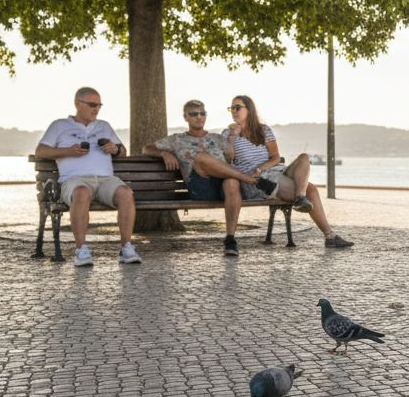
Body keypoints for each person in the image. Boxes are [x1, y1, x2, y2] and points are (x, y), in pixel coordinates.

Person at [143, 99, 281, 257]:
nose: (199, 117)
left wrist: (232, 138)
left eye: (203, 113)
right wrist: (164, 153)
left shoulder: (217, 138)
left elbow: (230, 157)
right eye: (194, 114)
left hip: (222, 184)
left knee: (231, 181)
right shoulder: (176, 139)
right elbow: (146, 148)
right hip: (200, 187)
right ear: (185, 117)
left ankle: (230, 239)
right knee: (202, 157)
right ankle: (253, 181)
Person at [221, 95, 353, 248]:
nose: (234, 111)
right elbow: (228, 159)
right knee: (311, 189)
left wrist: (260, 167)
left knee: (304, 158)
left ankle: (301, 198)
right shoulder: (227, 133)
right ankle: (329, 235)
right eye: (231, 108)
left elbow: (275, 158)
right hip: (258, 181)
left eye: (238, 107)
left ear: (249, 110)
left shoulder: (263, 130)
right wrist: (232, 137)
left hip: (273, 170)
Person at [34, 87, 141, 266]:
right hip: (75, 180)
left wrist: (115, 149)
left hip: (106, 179)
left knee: (125, 192)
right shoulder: (59, 125)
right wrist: (67, 151)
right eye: (92, 104)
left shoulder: (104, 126)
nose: (96, 109)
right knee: (82, 192)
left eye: (99, 105)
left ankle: (126, 248)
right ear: (78, 103)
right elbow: (40, 150)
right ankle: (81, 250)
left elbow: (122, 151)